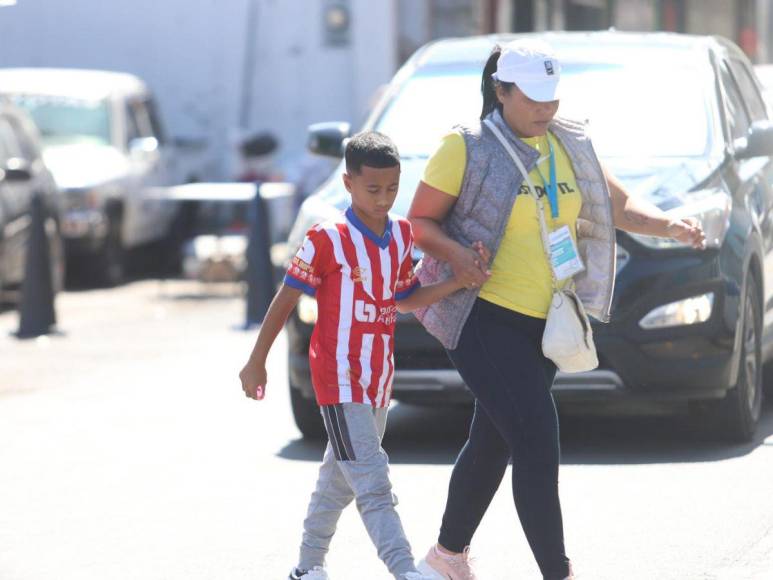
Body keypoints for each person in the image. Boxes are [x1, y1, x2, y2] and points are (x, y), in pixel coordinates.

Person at [408, 39, 706, 580]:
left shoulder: (571, 141)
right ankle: (557, 572)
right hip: (480, 314)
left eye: (552, 97)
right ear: (501, 91)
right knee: (536, 435)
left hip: (546, 320)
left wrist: (669, 225)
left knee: (495, 435)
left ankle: (445, 558)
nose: (546, 109)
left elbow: (615, 205)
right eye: (533, 98)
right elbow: (419, 224)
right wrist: (457, 256)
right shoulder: (467, 146)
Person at [238, 131, 490, 580]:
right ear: (348, 182)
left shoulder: (400, 236)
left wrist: (456, 281)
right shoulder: (326, 238)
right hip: (339, 378)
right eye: (373, 189)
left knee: (338, 480)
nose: (383, 199)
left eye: (392, 189)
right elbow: (285, 299)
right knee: (373, 483)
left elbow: (406, 298)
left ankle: (307, 567)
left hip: (378, 377)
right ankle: (404, 570)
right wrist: (256, 359)